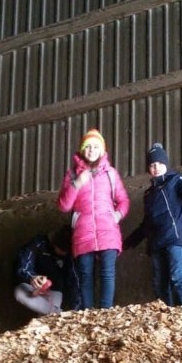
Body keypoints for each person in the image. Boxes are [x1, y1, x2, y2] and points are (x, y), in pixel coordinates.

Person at [123, 143, 182, 307]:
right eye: (152, 165)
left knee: (177, 277)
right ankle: (166, 314)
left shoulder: (175, 181)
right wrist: (129, 242)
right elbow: (146, 224)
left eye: (159, 163)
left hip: (175, 238)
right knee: (159, 282)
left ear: (166, 164)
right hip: (156, 243)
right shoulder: (149, 194)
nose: (156, 167)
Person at [57, 129, 129, 310]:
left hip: (108, 231)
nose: (91, 150)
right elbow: (64, 206)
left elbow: (123, 200)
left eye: (96, 146)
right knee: (85, 276)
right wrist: (77, 184)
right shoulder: (73, 174)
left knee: (107, 274)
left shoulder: (110, 173)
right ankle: (88, 316)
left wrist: (116, 216)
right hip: (83, 232)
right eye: (88, 146)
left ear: (102, 150)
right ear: (82, 150)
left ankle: (105, 314)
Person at [14, 226, 81, 315]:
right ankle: (57, 314)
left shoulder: (70, 256)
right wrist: (32, 277)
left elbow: (75, 282)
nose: (65, 253)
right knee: (19, 293)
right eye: (62, 249)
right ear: (54, 243)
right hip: (32, 288)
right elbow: (22, 266)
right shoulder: (39, 243)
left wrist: (76, 311)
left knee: (46, 317)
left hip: (54, 291)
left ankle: (56, 314)